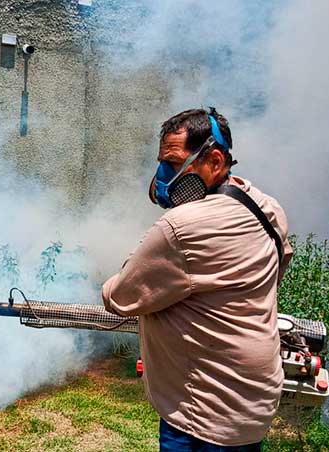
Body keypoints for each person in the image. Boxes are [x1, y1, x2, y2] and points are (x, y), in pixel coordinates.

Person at [102, 108, 293, 451]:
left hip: (203, 411)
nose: (163, 175)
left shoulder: (181, 227)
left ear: (215, 161)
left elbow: (120, 297)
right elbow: (279, 265)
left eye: (173, 164)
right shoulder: (267, 208)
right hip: (255, 405)